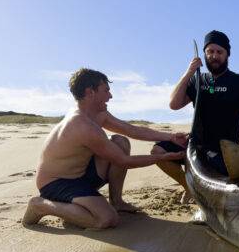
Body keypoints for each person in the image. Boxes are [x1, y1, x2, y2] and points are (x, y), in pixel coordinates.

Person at [22, 68, 187, 229]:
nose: (110, 96)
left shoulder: (97, 114)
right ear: (90, 92)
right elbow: (123, 161)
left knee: (120, 142)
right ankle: (41, 205)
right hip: (57, 184)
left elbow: (132, 130)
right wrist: (162, 157)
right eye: (106, 90)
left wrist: (170, 137)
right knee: (106, 219)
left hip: (82, 175)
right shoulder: (81, 125)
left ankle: (117, 201)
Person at [151, 30, 239, 199]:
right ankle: (189, 185)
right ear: (204, 54)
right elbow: (174, 104)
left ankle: (205, 187)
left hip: (225, 150)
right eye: (210, 51)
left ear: (227, 55)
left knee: (230, 189)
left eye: (219, 52)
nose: (214, 56)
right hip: (195, 145)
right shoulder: (197, 79)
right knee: (157, 151)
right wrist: (189, 72)